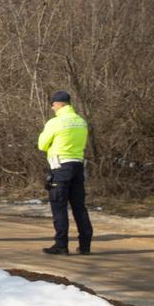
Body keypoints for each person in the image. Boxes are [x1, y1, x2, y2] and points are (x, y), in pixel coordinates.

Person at [38, 90, 93, 255]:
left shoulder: (55, 122)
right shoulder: (81, 121)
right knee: (79, 207)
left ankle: (61, 245)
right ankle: (85, 245)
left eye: (53, 104)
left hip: (60, 167)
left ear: (59, 104)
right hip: (78, 166)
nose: (52, 107)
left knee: (59, 207)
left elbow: (42, 144)